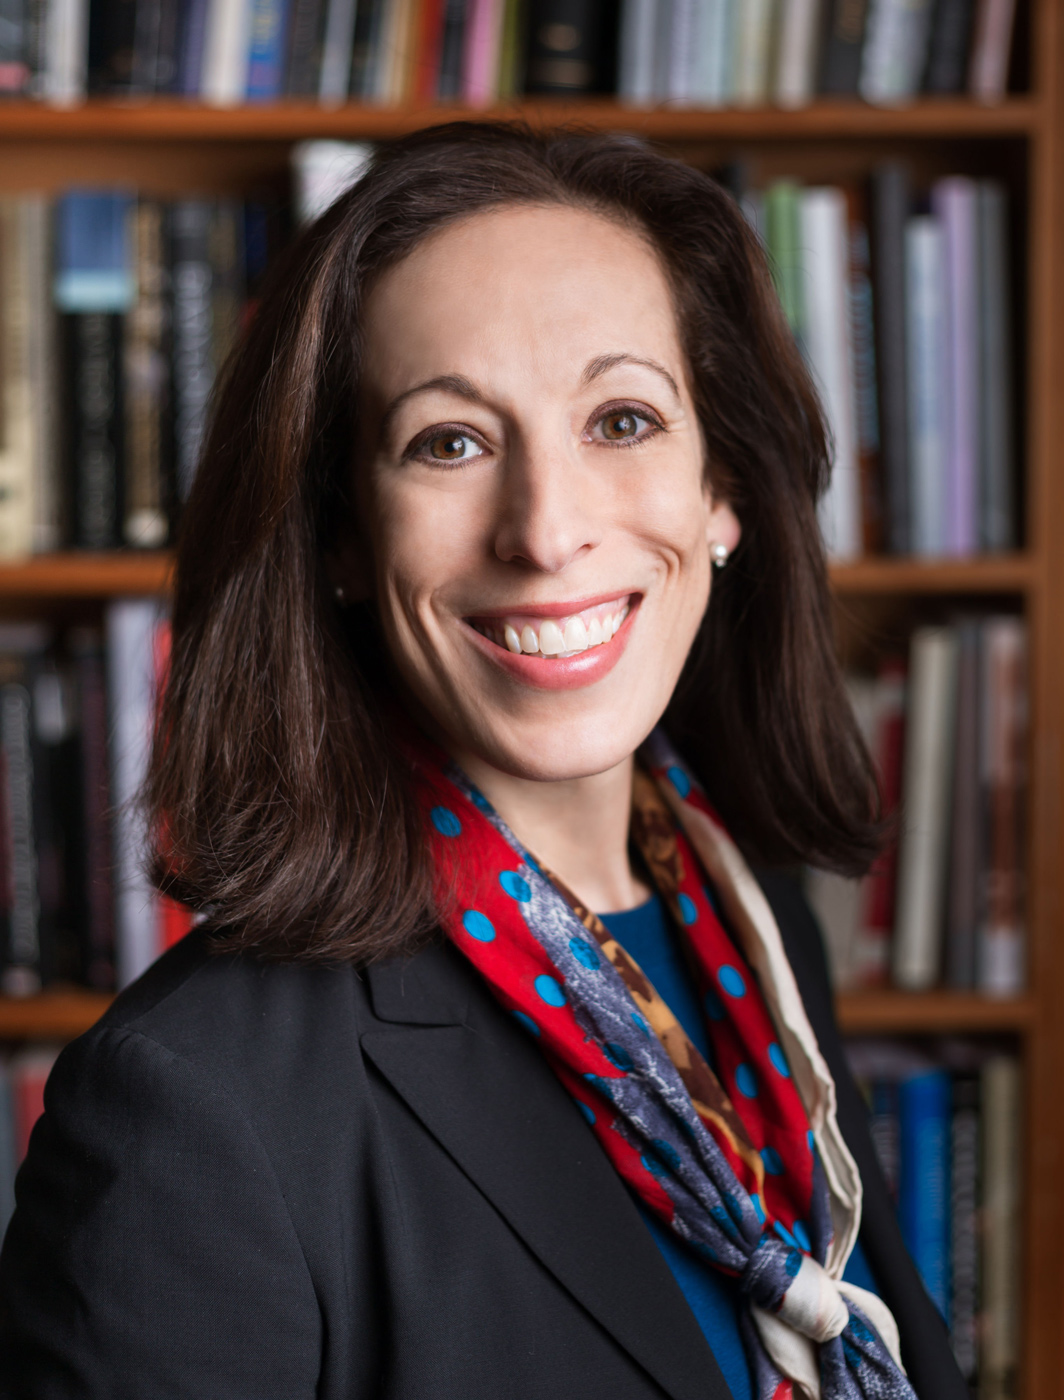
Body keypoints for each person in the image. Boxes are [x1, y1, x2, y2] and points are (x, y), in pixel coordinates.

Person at [0, 123, 966, 1400]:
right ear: (342, 534)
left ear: (720, 489)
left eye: (621, 419)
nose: (548, 530)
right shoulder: (190, 1107)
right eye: (448, 442)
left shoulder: (750, 925)